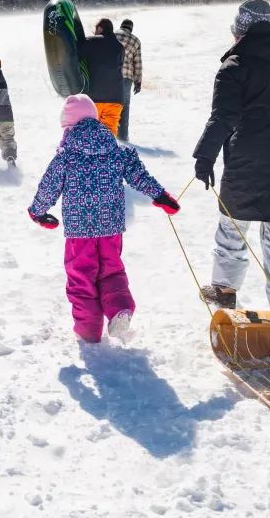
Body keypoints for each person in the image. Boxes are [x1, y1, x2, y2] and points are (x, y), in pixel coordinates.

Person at [29, 94, 181, 343]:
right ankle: (119, 309)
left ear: (68, 126)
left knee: (81, 276)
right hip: (111, 226)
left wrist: (37, 211)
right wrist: (160, 196)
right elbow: (138, 174)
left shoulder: (66, 155)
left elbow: (49, 186)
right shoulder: (115, 150)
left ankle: (89, 330)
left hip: (80, 231)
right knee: (111, 270)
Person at [192, 0, 270, 315]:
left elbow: (223, 116)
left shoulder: (234, 67)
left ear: (240, 33)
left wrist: (205, 156)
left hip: (248, 156)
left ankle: (223, 291)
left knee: (232, 226)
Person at [80, 18, 125, 137]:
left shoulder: (91, 41)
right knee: (109, 137)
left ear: (100, 28)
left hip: (95, 97)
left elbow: (76, 57)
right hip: (116, 98)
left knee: (90, 136)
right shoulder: (120, 46)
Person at [115, 19, 143, 142]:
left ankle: (107, 135)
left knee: (109, 104)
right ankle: (122, 137)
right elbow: (138, 63)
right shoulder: (135, 41)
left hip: (110, 74)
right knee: (124, 106)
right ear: (131, 29)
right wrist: (138, 81)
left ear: (121, 26)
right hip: (126, 77)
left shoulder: (112, 34)